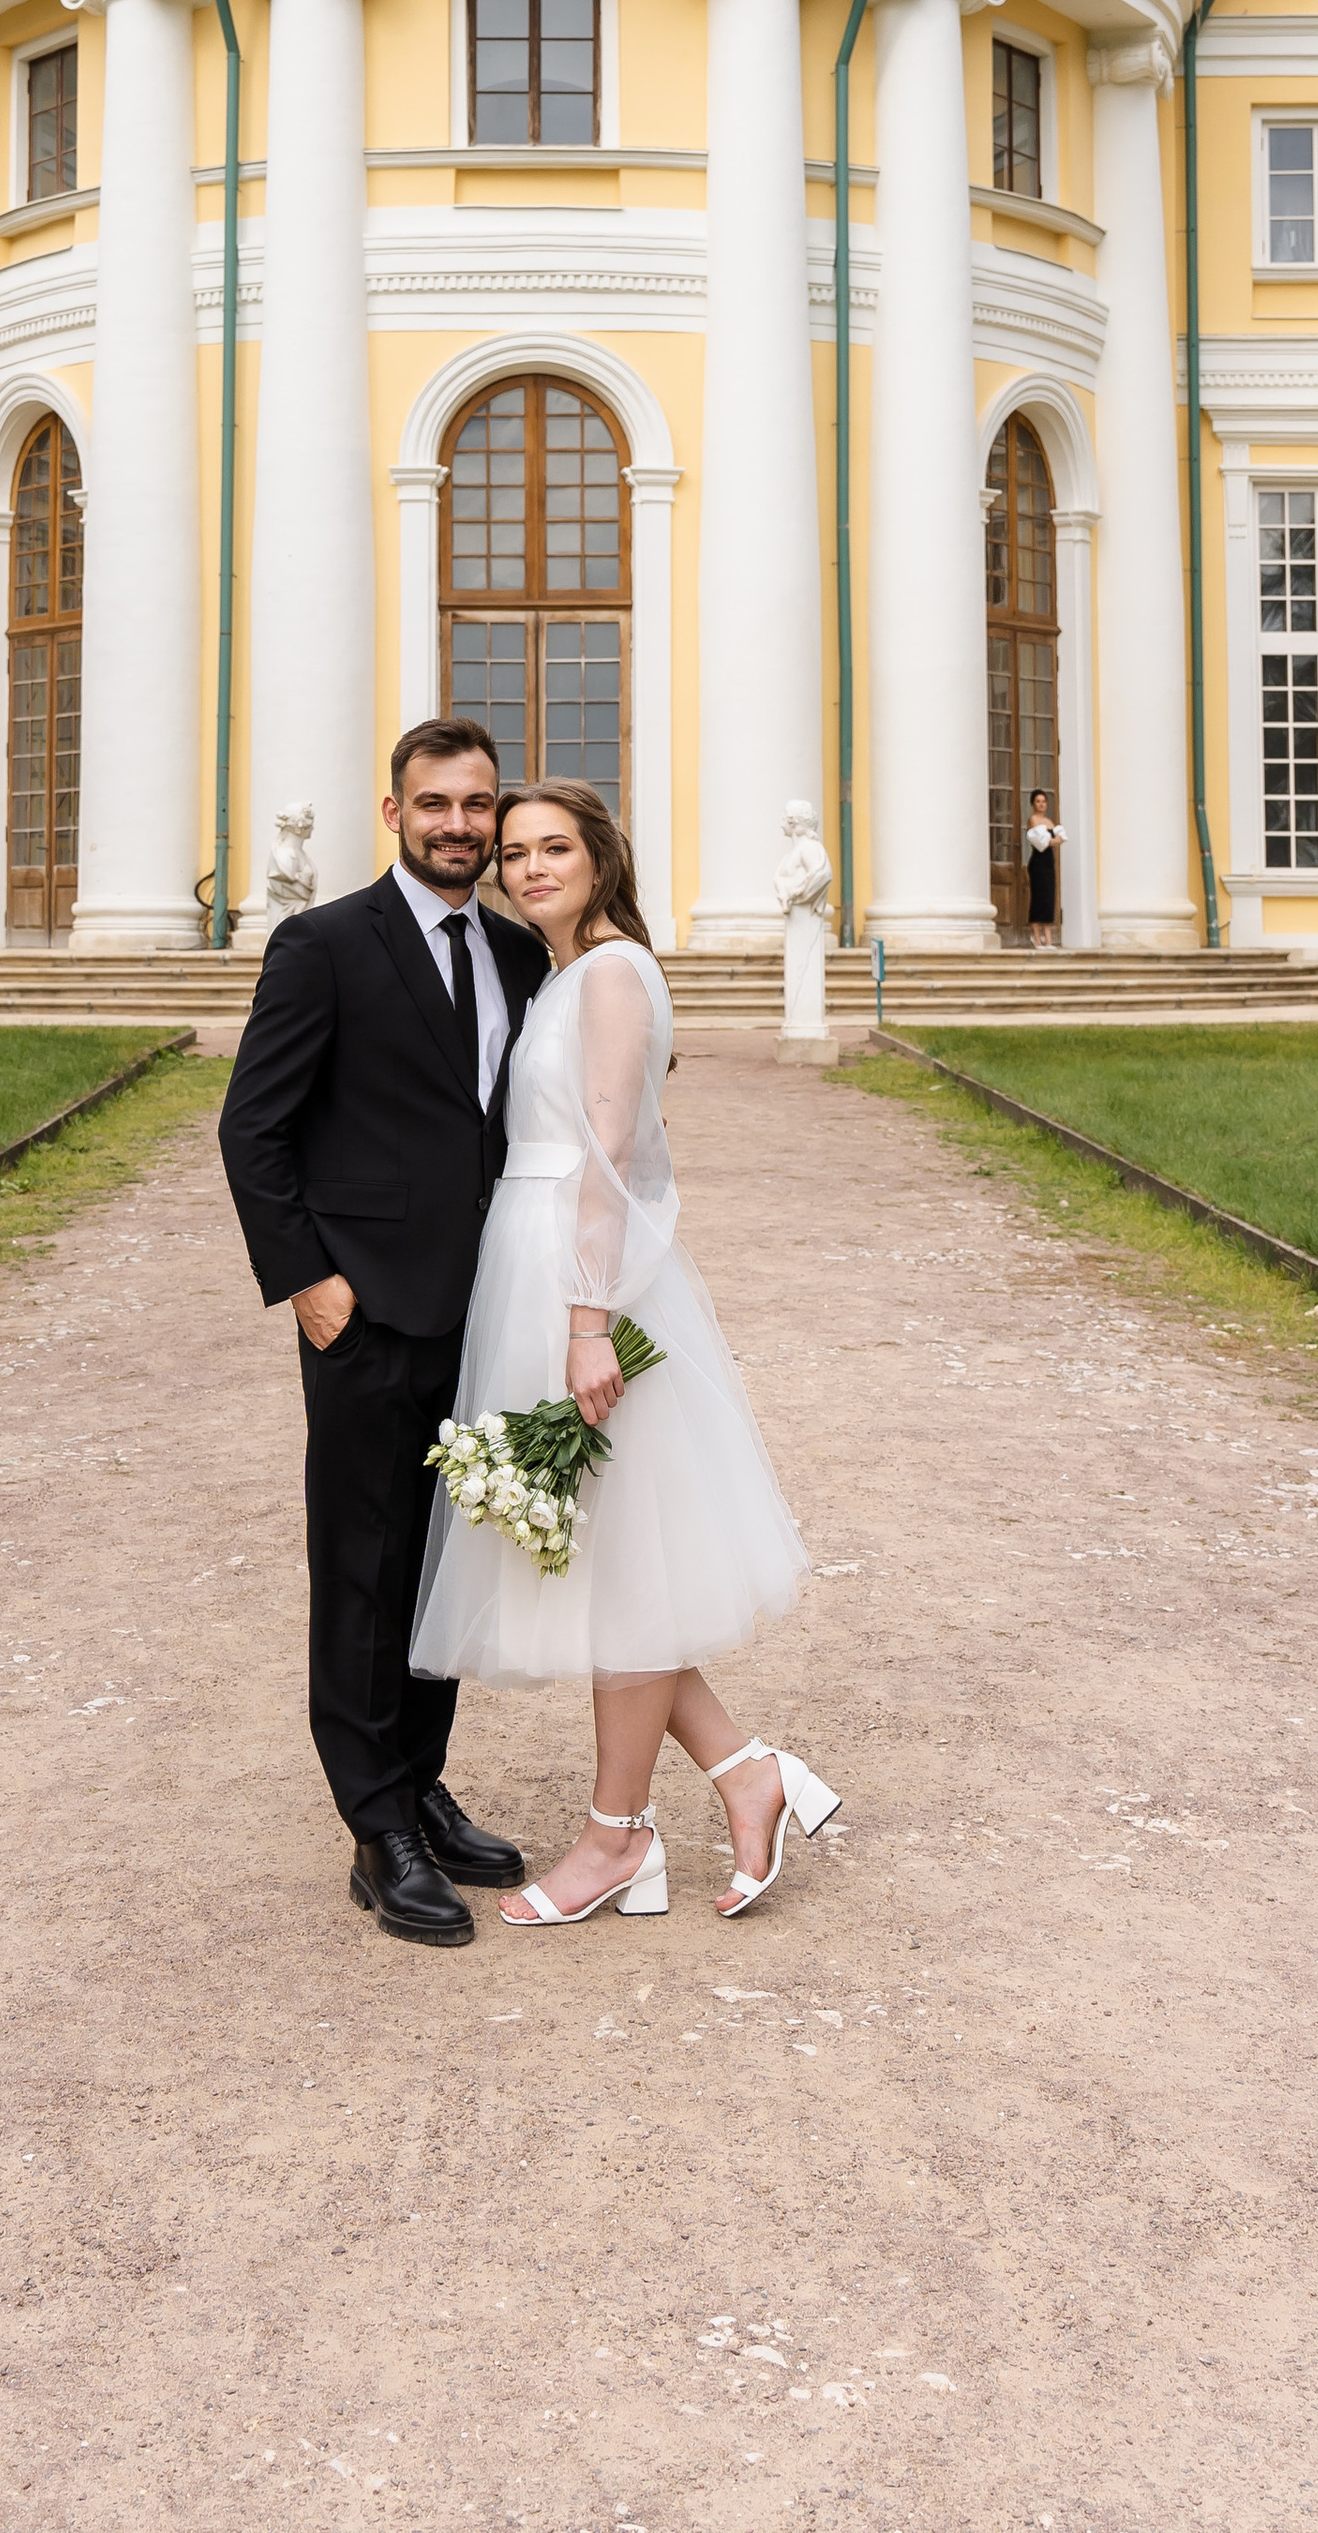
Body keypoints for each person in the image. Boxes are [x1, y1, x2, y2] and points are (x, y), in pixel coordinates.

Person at [414, 779, 835, 1930]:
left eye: (555, 847)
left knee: (622, 1566)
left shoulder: (607, 973)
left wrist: (588, 1318)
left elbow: (613, 1156)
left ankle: (615, 1839)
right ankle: (747, 1777)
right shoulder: (564, 975)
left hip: (577, 1275)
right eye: (514, 852)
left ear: (600, 857)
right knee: (612, 1570)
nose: (530, 867)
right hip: (542, 1262)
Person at [217, 720, 553, 1946]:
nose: (458, 826)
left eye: (477, 805)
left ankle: (419, 1784)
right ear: (394, 811)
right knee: (363, 1568)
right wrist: (308, 1281)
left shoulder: (519, 958)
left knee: (442, 1564)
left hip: (485, 1311)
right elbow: (253, 1128)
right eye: (435, 805)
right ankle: (377, 1831)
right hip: (363, 1313)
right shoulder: (323, 945)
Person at [1024, 787, 1062, 948]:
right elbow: (1042, 842)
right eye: (1038, 801)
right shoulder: (1033, 820)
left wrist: (1053, 840)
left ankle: (1048, 936)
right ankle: (1036, 935)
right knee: (1038, 897)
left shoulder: (1049, 822)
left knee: (1049, 897)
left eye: (1044, 801)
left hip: (1048, 862)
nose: (1041, 804)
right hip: (1038, 863)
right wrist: (1053, 840)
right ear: (1033, 804)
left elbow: (1059, 838)